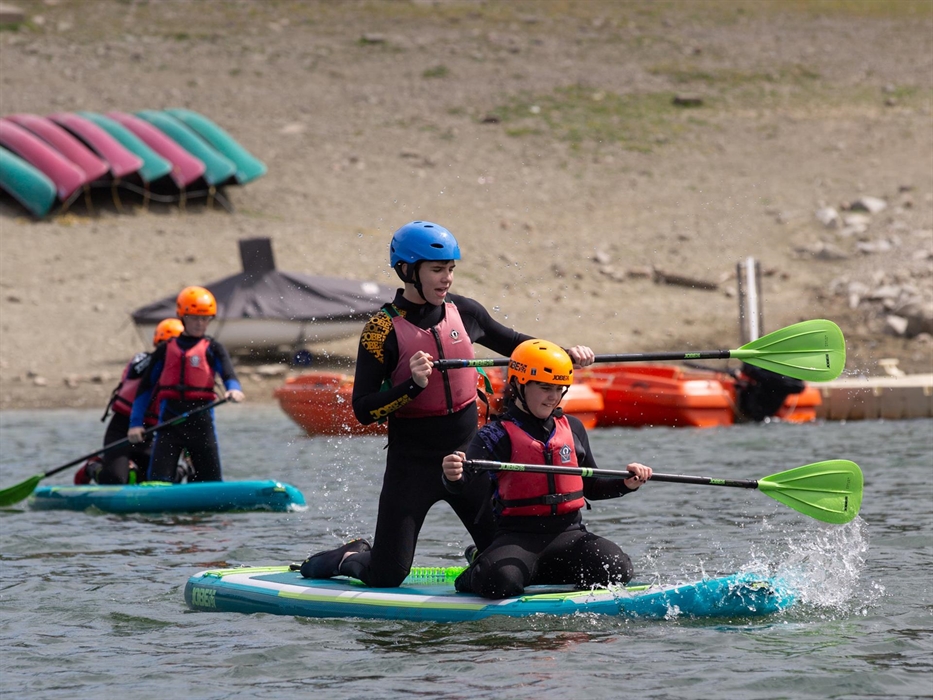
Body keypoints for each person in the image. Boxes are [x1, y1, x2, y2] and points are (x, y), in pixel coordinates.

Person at [299, 220, 595, 586]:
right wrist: (411, 385)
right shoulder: (380, 330)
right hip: (412, 467)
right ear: (408, 270)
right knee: (386, 576)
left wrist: (564, 354)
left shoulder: (466, 312)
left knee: (507, 552)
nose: (447, 279)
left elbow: (519, 345)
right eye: (438, 270)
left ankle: (481, 555)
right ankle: (348, 556)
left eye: (451, 269)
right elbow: (363, 410)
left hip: (468, 459)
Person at [441, 339, 652, 599]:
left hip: (570, 534)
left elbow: (592, 487)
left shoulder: (572, 428)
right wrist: (453, 474)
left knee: (616, 569)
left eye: (558, 389)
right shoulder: (494, 434)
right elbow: (463, 482)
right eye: (544, 388)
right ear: (519, 385)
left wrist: (626, 483)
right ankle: (479, 565)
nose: (553, 396)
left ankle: (532, 572)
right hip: (519, 538)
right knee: (499, 583)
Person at [127, 286, 245, 482]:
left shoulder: (213, 348)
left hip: (201, 423)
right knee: (158, 480)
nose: (200, 323)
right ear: (182, 317)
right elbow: (145, 388)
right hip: (169, 423)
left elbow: (229, 375)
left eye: (205, 318)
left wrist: (234, 390)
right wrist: (135, 424)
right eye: (194, 318)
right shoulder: (165, 350)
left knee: (210, 481)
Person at [75, 318, 184, 485]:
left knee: (163, 479)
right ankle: (92, 465)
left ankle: (148, 469)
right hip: (122, 429)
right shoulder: (142, 360)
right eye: (166, 346)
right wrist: (160, 359)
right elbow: (136, 373)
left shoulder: (182, 376)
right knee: (116, 480)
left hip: (151, 434)